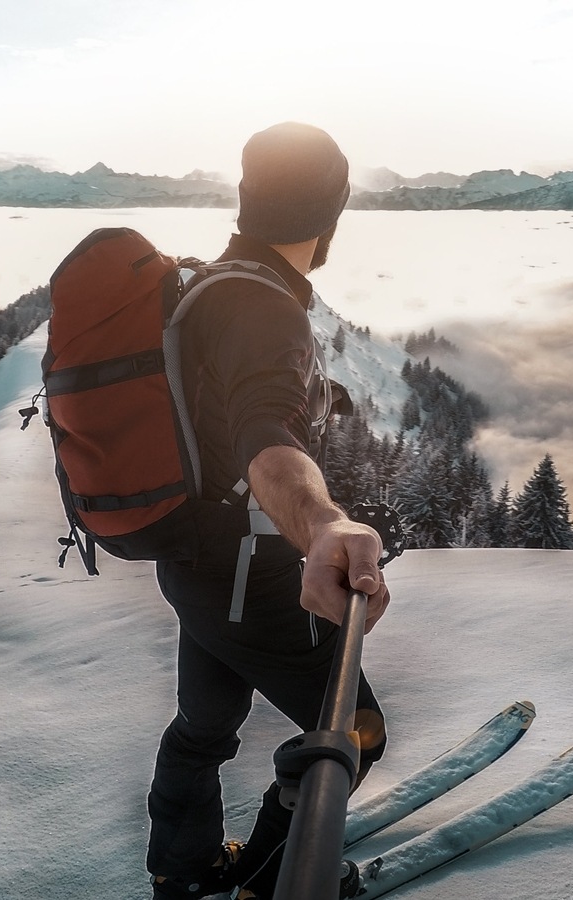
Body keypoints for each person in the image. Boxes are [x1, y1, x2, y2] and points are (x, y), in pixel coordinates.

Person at [147, 122, 391, 899]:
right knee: (353, 731)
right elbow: (262, 434)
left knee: (205, 726)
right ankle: (270, 877)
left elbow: (231, 416)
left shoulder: (208, 286)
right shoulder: (265, 309)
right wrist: (321, 521)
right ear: (332, 215)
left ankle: (184, 875)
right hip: (250, 577)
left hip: (193, 562)